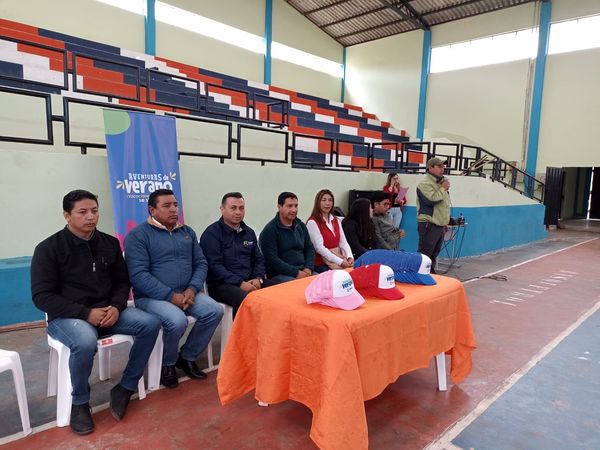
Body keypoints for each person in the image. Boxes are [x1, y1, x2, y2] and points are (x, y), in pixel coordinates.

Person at [31, 190, 161, 435]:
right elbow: (42, 297)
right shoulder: (48, 249)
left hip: (108, 311)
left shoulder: (109, 243)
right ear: (67, 215)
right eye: (82, 212)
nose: (90, 217)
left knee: (150, 324)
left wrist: (117, 306)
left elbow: (122, 282)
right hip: (68, 317)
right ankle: (80, 403)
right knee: (84, 341)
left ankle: (125, 386)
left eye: (94, 211)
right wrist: (85, 313)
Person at [124, 189, 223, 389]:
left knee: (214, 311)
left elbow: (201, 263)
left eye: (175, 205)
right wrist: (170, 296)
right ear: (152, 209)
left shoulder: (187, 232)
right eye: (167, 206)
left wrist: (192, 289)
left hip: (187, 293)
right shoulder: (138, 236)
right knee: (177, 321)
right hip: (152, 298)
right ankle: (167, 364)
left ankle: (187, 357)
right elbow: (139, 275)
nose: (173, 210)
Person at [200, 192, 278, 317]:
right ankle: (244, 330)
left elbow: (258, 259)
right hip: (223, 285)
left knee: (279, 290)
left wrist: (258, 278)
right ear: (222, 209)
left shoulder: (249, 232)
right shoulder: (212, 234)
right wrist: (240, 283)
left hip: (250, 280)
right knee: (247, 298)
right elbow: (215, 266)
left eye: (241, 208)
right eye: (233, 208)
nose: (238, 212)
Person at [259, 192, 315, 282]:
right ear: (279, 207)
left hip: (303, 271)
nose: (294, 210)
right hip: (280, 274)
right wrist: (296, 273)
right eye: (289, 206)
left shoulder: (301, 226)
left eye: (296, 206)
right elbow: (272, 260)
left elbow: (309, 248)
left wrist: (308, 268)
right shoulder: (270, 230)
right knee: (298, 287)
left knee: (323, 282)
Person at [416, 157, 451, 273]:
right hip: (429, 224)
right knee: (425, 255)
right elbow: (431, 200)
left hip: (439, 225)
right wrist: (443, 188)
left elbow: (442, 206)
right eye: (439, 166)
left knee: (434, 254)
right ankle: (420, 276)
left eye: (443, 167)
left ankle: (430, 276)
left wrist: (444, 222)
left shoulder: (439, 184)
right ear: (430, 168)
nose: (442, 169)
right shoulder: (424, 184)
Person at [306, 189, 354, 273]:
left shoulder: (336, 220)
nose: (327, 203)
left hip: (338, 259)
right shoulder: (312, 222)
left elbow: (343, 242)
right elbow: (319, 248)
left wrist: (350, 257)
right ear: (318, 202)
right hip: (321, 263)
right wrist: (340, 262)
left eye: (330, 200)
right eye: (324, 200)